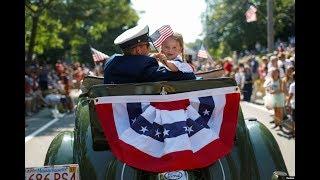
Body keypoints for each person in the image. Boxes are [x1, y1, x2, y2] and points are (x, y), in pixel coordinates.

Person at [103, 25, 196, 84]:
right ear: (139, 50)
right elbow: (189, 77)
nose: (149, 49)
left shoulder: (110, 63)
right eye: (147, 45)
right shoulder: (145, 67)